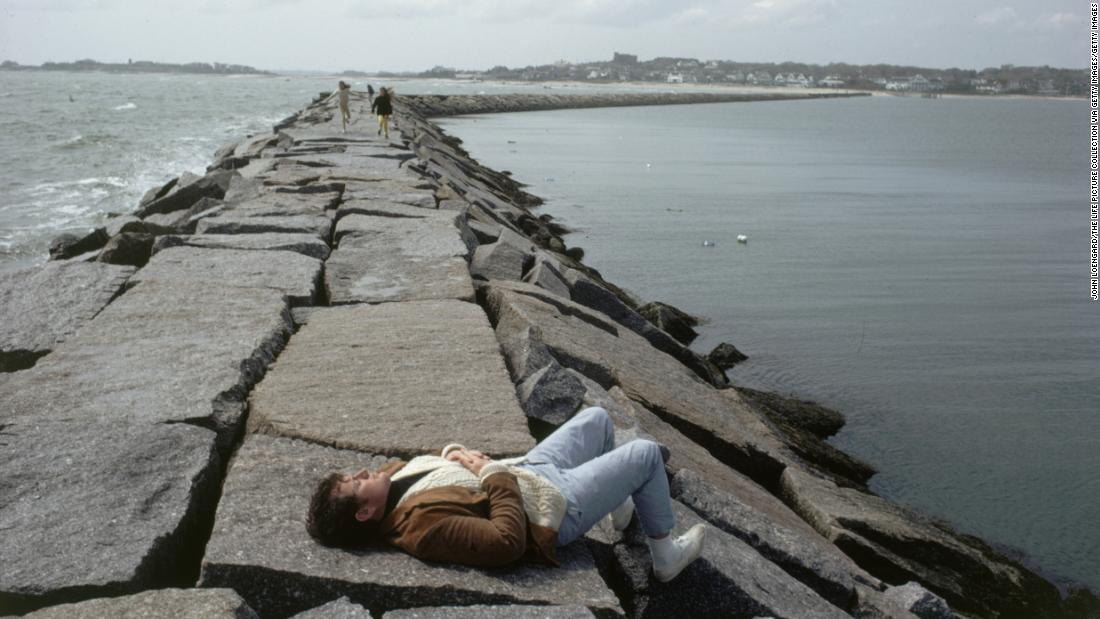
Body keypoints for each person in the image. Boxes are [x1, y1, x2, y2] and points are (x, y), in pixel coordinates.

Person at [306, 406, 706, 582]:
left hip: (527, 471)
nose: (362, 471)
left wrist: (455, 454)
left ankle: (618, 503)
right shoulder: (420, 528)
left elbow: (427, 467)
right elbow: (506, 542)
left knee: (598, 419)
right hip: (550, 508)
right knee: (646, 454)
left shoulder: (390, 483)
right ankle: (664, 556)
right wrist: (491, 473)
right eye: (355, 483)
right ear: (365, 513)